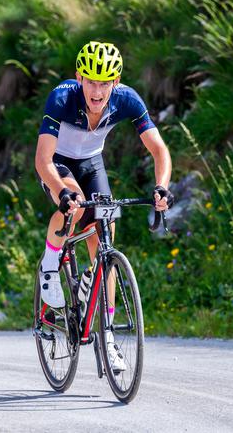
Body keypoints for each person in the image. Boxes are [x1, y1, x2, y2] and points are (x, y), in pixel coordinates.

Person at [34, 41, 173, 372]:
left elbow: (160, 151)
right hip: (58, 164)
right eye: (91, 81)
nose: (97, 90)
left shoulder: (127, 100)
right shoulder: (62, 98)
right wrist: (61, 191)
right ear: (80, 77)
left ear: (116, 81)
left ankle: (108, 339)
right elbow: (42, 160)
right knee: (77, 207)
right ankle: (50, 265)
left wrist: (162, 187)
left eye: (105, 82)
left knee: (105, 237)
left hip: (92, 164)